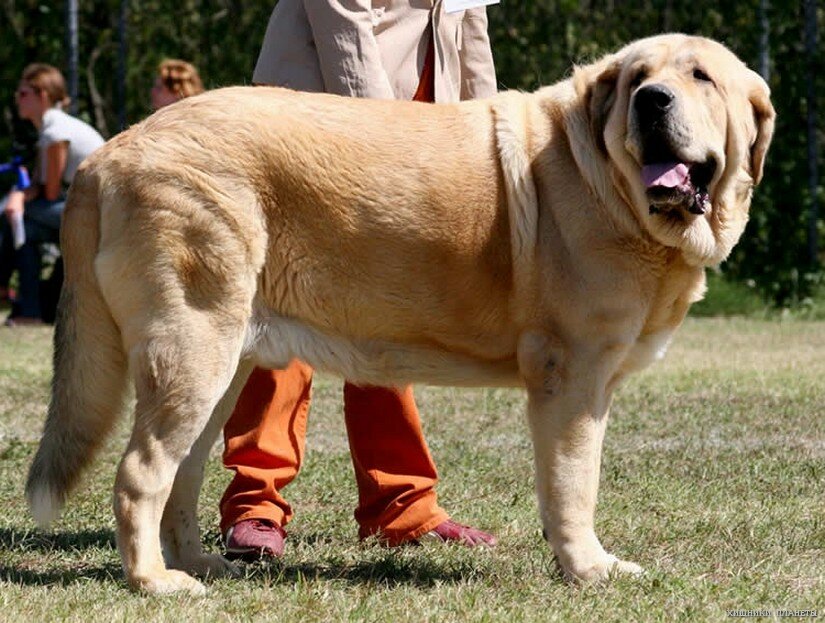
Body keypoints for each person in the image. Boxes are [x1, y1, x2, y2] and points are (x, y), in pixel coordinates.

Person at [221, 0, 500, 560]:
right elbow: (339, 15)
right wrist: (380, 135)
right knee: (285, 304)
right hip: (315, 111)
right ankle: (255, 502)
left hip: (420, 116)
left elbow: (469, 19)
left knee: (393, 308)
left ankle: (402, 505)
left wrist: (485, 136)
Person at [0, 63, 104, 326]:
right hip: (84, 207)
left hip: (101, 212)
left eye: (23, 94)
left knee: (12, 216)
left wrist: (16, 200)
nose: (17, 99)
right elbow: (38, 187)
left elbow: (49, 192)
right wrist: (19, 197)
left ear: (42, 95)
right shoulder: (49, 129)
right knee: (25, 226)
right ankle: (30, 312)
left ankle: (9, 291)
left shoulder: (55, 132)